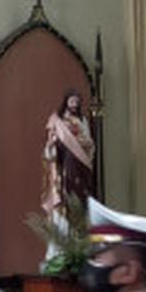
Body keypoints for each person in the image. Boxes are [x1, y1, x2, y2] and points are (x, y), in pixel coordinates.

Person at [42, 90, 97, 257]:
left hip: (81, 166)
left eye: (77, 102)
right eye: (72, 101)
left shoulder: (82, 121)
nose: (74, 104)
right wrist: (52, 145)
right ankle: (61, 249)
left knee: (80, 200)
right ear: (66, 102)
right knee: (64, 201)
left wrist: (83, 143)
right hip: (64, 166)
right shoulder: (58, 121)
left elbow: (89, 144)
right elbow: (50, 151)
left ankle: (79, 245)